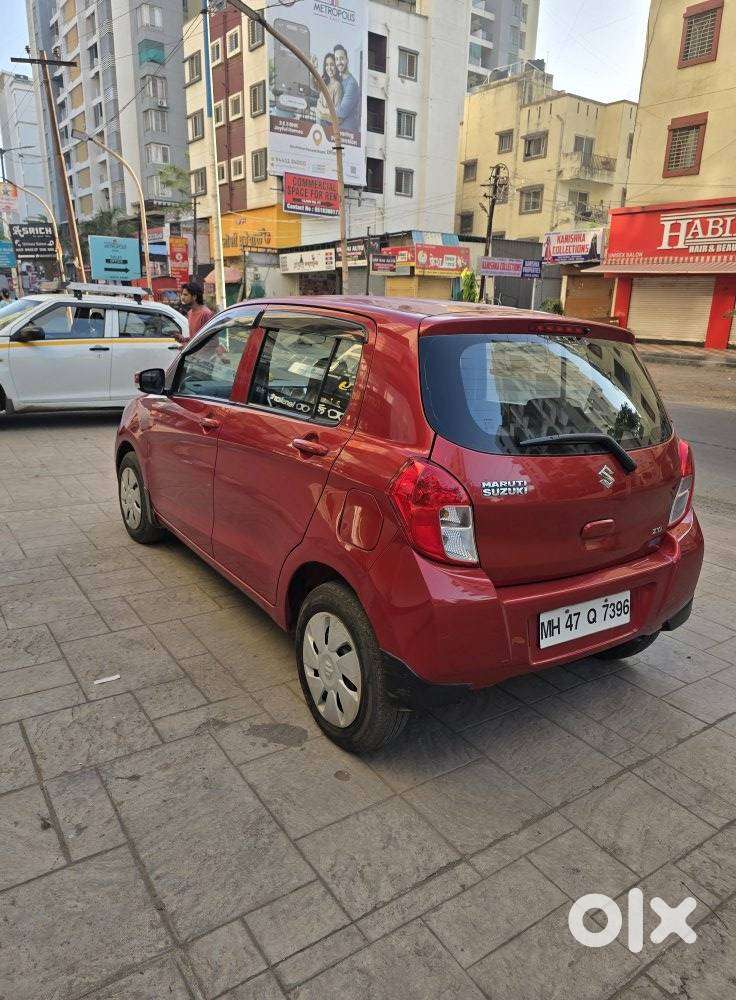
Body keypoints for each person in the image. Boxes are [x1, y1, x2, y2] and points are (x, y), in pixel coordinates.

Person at [333, 45, 361, 133]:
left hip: (348, 137)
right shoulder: (338, 81)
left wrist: (322, 110)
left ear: (347, 60)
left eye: (341, 58)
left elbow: (339, 117)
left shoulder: (351, 84)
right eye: (336, 59)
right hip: (338, 134)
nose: (339, 62)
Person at [316, 52, 343, 127]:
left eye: (332, 65)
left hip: (328, 125)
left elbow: (337, 111)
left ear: (336, 66)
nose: (329, 68)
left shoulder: (337, 85)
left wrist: (322, 111)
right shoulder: (325, 84)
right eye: (327, 65)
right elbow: (318, 103)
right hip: (320, 122)